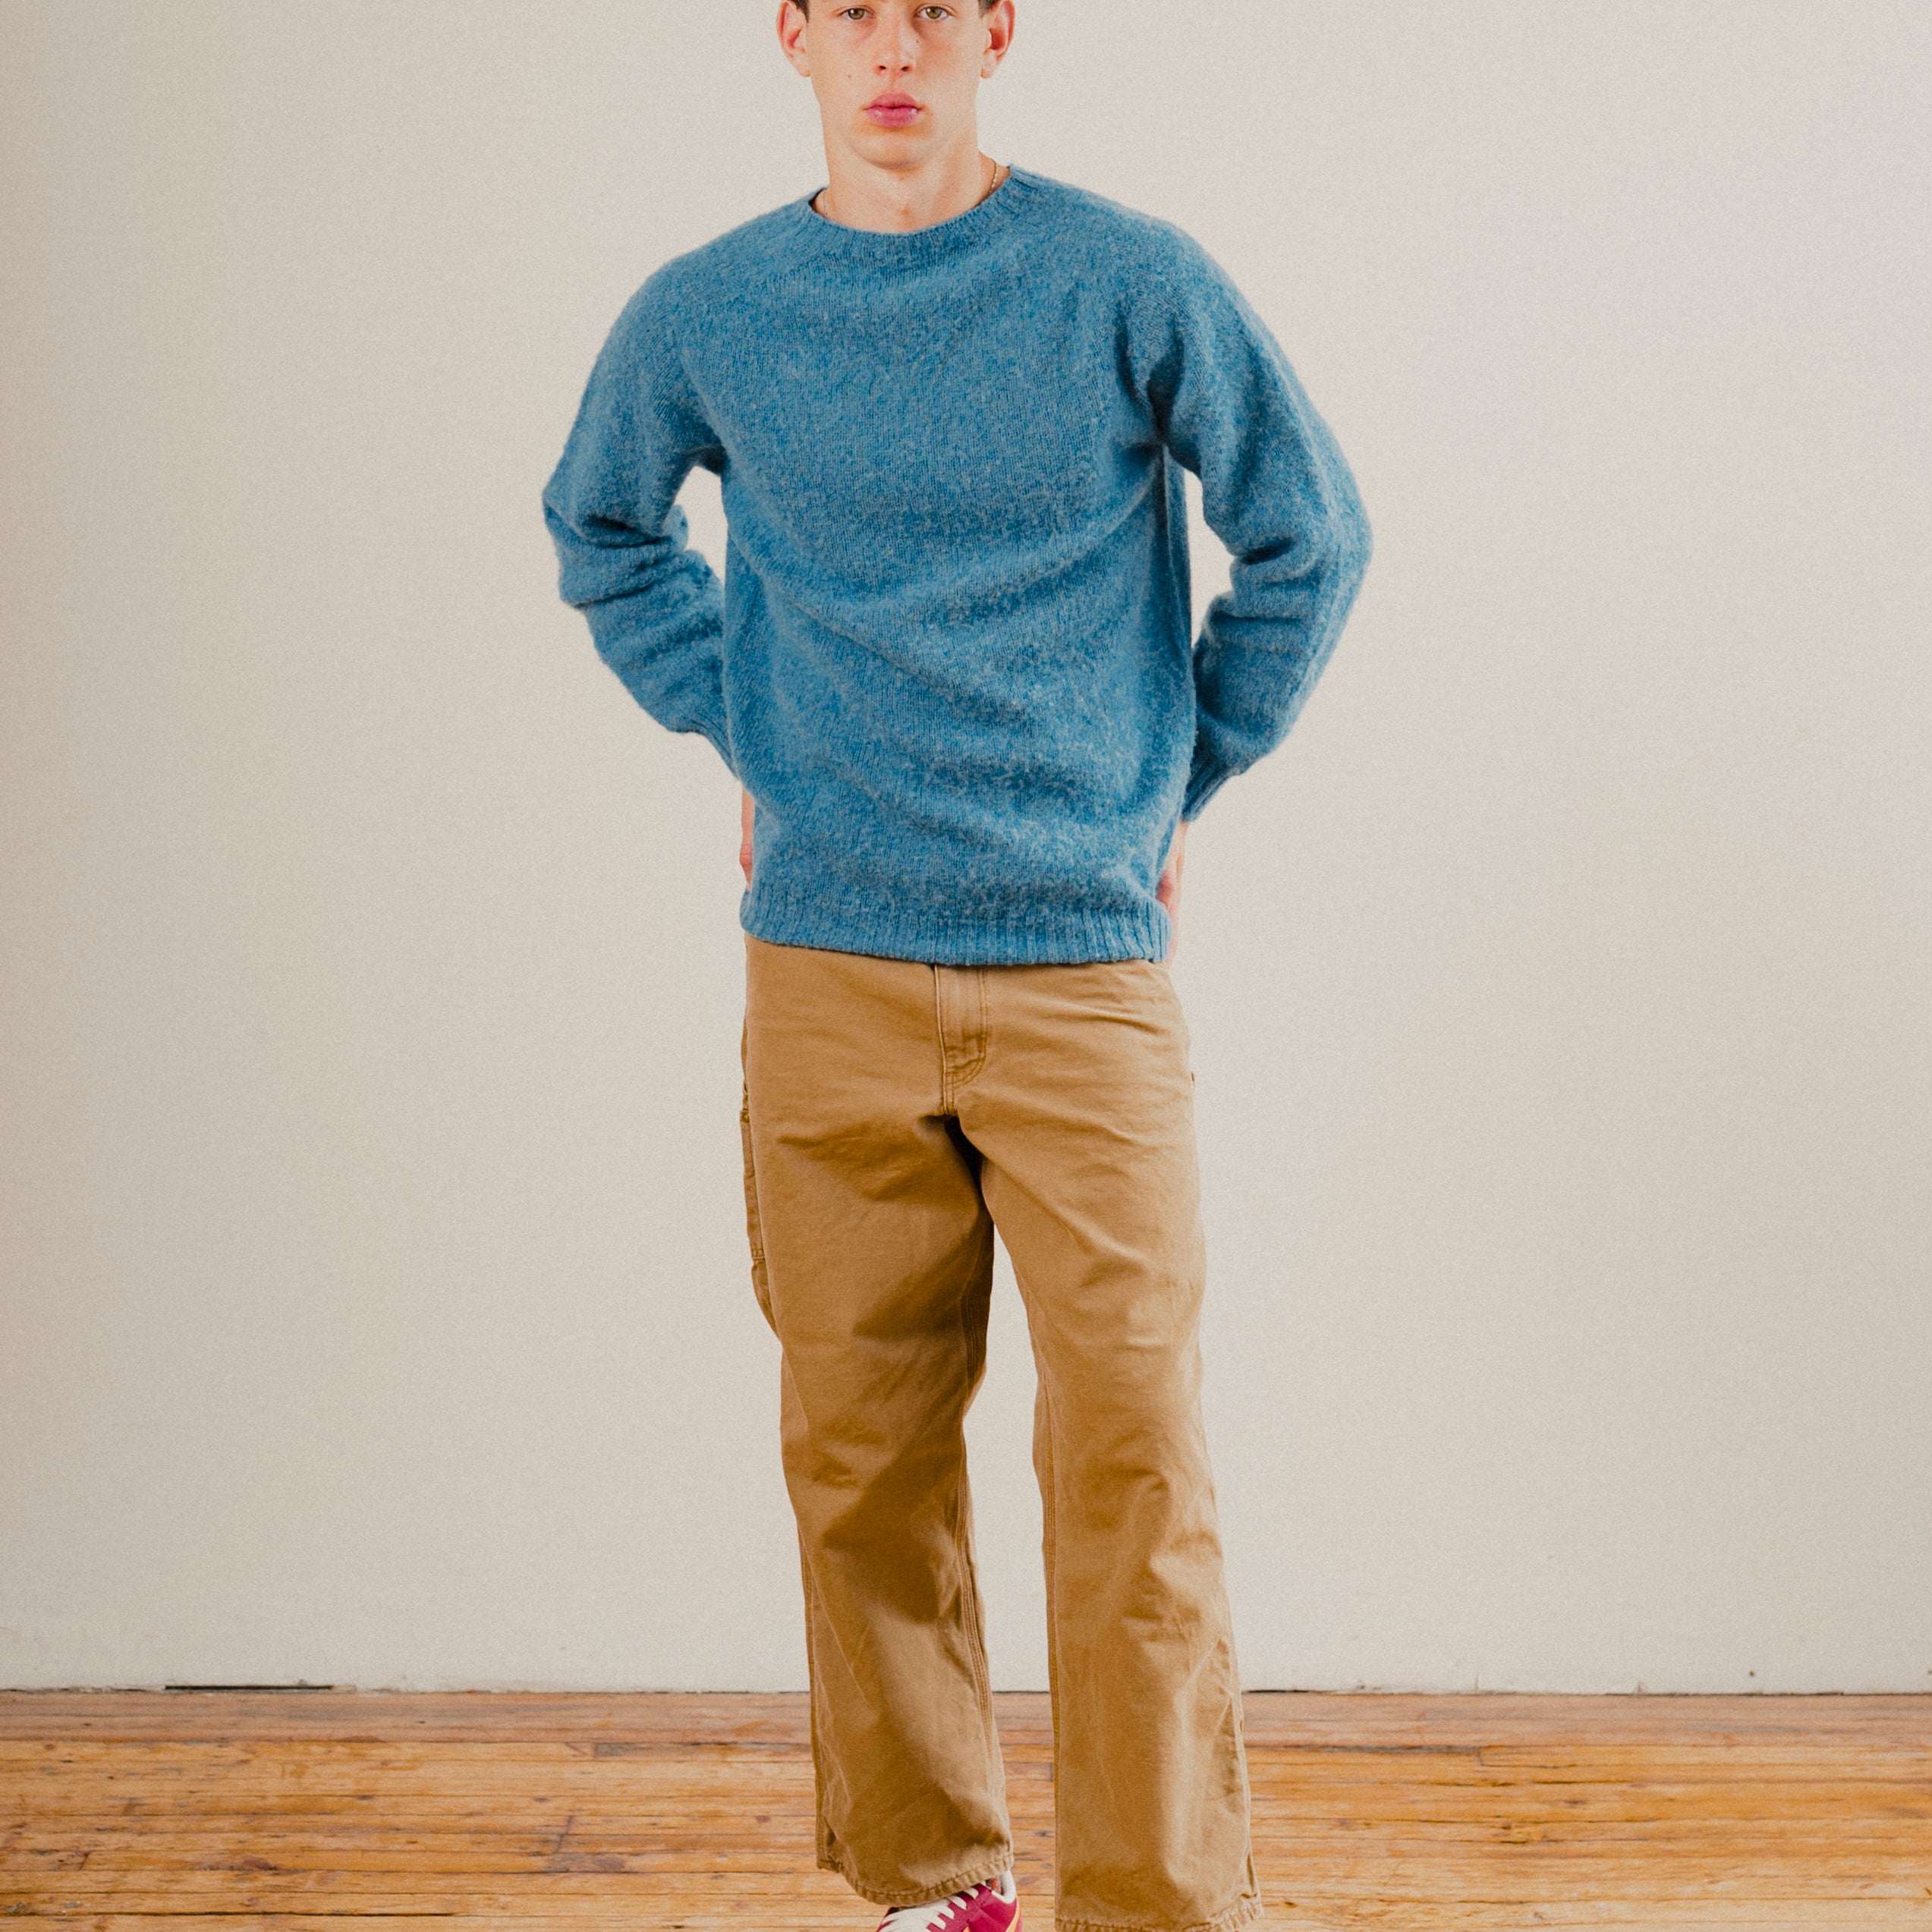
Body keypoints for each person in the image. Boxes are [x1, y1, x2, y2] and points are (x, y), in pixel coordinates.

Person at [540, 2, 1372, 1926]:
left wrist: (1178, 771)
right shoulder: (709, 310)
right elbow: (600, 529)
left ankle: (1156, 1899)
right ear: (793, 36)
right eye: (854, 10)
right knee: (862, 1455)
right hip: (826, 970)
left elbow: (1306, 536)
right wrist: (745, 725)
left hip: (1080, 968)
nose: (892, 45)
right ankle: (935, 1882)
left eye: (933, 6)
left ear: (997, 28)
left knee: (1135, 1459)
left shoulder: (1125, 278)